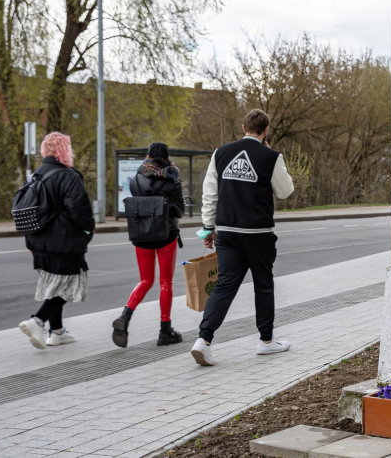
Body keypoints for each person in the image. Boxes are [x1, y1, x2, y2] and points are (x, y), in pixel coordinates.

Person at [191, 109, 295, 366]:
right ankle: (266, 341)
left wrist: (208, 227)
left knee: (225, 285)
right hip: (257, 233)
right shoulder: (271, 157)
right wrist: (272, 159)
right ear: (266, 130)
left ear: (243, 127)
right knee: (263, 284)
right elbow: (285, 191)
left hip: (227, 232)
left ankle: (203, 341)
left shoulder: (221, 153)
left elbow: (210, 193)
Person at [18, 132, 95, 349]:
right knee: (70, 283)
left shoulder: (37, 174)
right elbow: (80, 210)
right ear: (64, 150)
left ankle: (58, 331)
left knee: (55, 282)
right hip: (64, 241)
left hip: (38, 240)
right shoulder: (68, 176)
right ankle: (37, 321)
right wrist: (88, 230)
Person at [112, 142, 186, 348]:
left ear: (148, 156)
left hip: (142, 235)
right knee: (165, 283)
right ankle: (165, 330)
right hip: (166, 235)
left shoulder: (137, 177)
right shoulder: (173, 179)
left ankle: (125, 316)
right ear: (167, 157)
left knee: (145, 280)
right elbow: (179, 210)